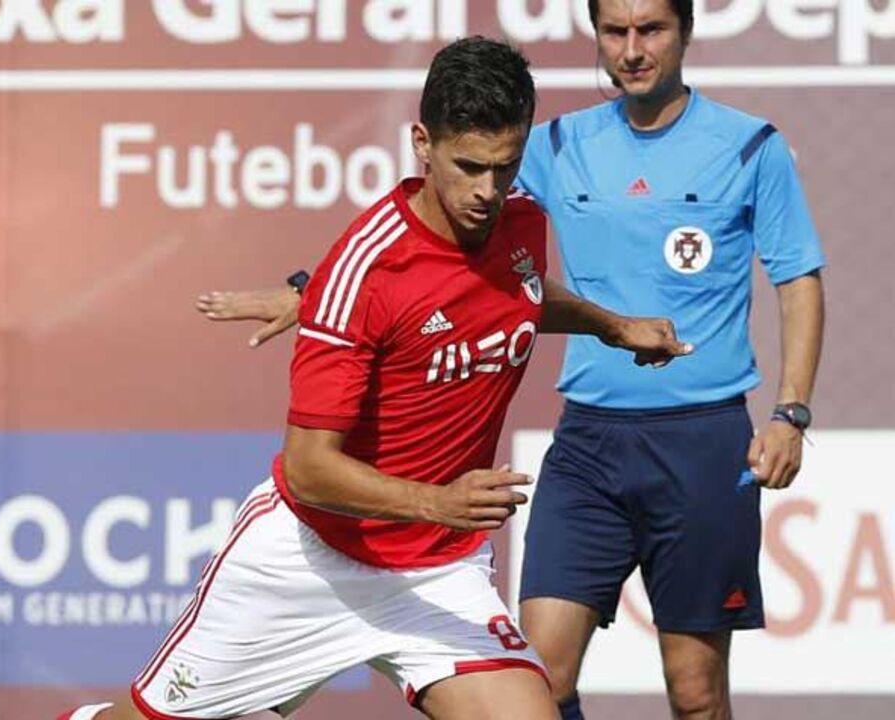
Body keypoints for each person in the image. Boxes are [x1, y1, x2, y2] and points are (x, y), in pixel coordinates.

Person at [201, 3, 827, 718]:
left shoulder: (749, 146)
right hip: (589, 444)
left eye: (649, 30)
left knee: (693, 693)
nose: (630, 50)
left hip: (701, 440)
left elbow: (797, 278)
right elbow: (429, 233)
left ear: (684, 31)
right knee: (542, 677)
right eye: (613, 32)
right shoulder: (552, 144)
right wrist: (310, 290)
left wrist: (789, 411)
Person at [60, 36, 691, 720]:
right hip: (310, 561)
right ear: (422, 143)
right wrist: (435, 502)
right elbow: (307, 469)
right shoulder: (365, 271)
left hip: (437, 570)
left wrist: (609, 324)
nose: (486, 190)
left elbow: (519, 295)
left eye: (504, 168)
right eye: (468, 166)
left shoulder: (520, 224)